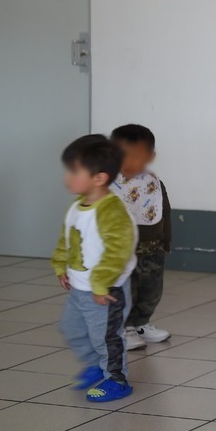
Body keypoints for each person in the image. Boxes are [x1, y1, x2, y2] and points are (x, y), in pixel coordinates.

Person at [51, 134, 138, 402]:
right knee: (72, 329)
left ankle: (116, 378)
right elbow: (68, 239)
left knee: (106, 338)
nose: (68, 177)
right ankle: (96, 366)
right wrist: (61, 265)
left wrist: (101, 284)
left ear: (99, 178)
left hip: (105, 290)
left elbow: (118, 252)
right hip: (79, 287)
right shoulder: (77, 206)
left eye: (74, 171)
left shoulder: (112, 211)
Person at [109, 124, 172, 350]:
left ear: (150, 157)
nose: (129, 161)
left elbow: (165, 212)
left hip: (151, 248)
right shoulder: (107, 183)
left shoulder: (152, 182)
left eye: (137, 156)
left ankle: (141, 323)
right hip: (122, 251)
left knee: (152, 289)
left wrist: (166, 241)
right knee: (127, 290)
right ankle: (123, 327)